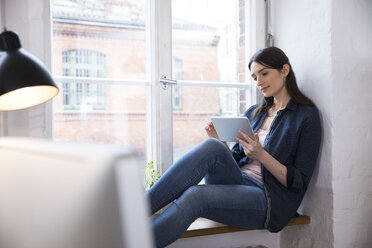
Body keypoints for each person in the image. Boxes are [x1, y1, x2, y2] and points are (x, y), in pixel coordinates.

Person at [146, 47, 321, 248]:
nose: (259, 82)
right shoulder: (255, 113)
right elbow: (236, 160)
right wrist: (220, 142)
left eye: (264, 73)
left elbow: (299, 182)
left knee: (196, 195)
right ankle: (134, 215)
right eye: (254, 77)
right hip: (239, 181)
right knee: (212, 146)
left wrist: (262, 156)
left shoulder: (306, 117)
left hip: (269, 198)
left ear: (284, 70)